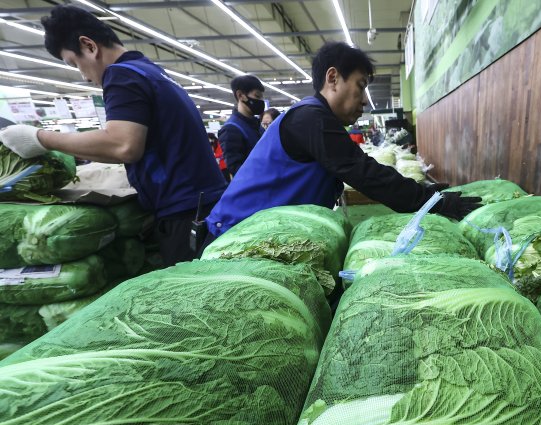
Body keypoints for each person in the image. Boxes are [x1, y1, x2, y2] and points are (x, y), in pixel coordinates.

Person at [0, 5, 226, 267]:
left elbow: (123, 145)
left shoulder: (122, 75)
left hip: (184, 212)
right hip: (201, 205)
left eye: (75, 64)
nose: (84, 77)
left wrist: (40, 138)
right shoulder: (150, 71)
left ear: (89, 46)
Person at [204, 42, 481, 242]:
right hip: (232, 235)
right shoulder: (310, 118)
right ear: (333, 78)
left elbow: (361, 169)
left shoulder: (316, 117)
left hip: (257, 234)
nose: (363, 100)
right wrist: (432, 202)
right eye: (360, 86)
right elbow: (363, 172)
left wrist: (425, 193)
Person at [219, 75, 265, 178]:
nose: (261, 101)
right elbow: (236, 168)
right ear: (240, 95)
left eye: (262, 97)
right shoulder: (231, 129)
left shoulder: (257, 125)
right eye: (257, 96)